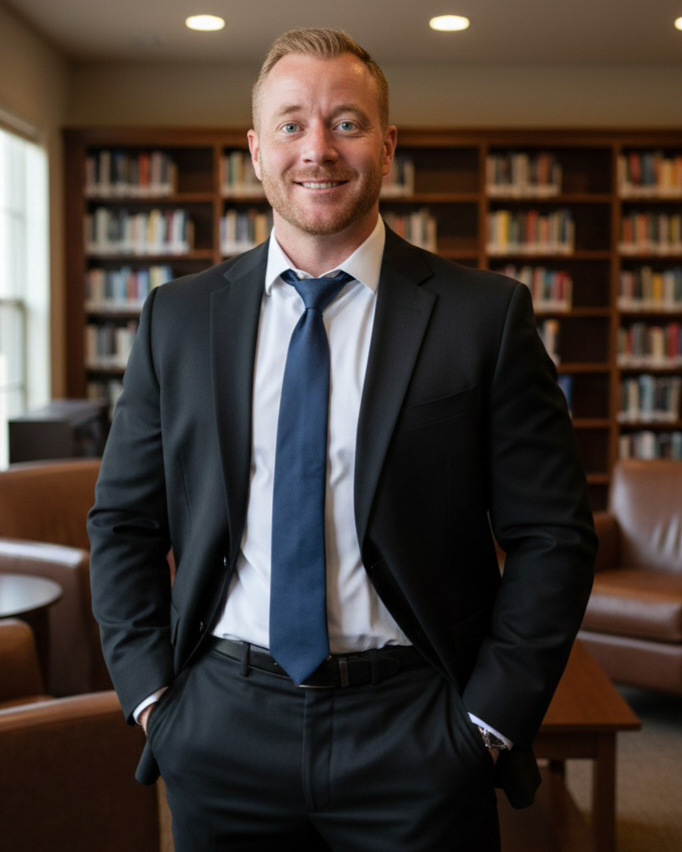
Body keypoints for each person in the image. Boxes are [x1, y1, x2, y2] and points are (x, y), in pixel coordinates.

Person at [88, 27, 596, 852]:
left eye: (346, 122)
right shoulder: (177, 319)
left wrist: (487, 724)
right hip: (221, 721)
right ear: (255, 150)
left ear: (388, 146)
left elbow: (554, 537)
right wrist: (154, 700)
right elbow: (123, 523)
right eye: (291, 124)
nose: (317, 149)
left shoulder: (483, 316)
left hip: (415, 729)